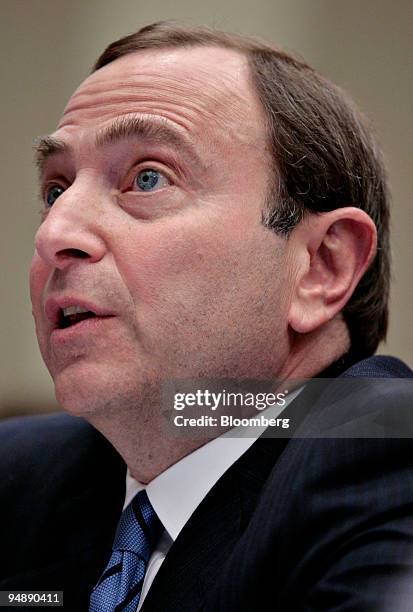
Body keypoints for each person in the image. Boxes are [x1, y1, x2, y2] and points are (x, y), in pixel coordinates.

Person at [1, 21, 412, 612]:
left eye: (147, 177)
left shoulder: (382, 460)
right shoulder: (21, 478)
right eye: (55, 190)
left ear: (322, 266)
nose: (54, 234)